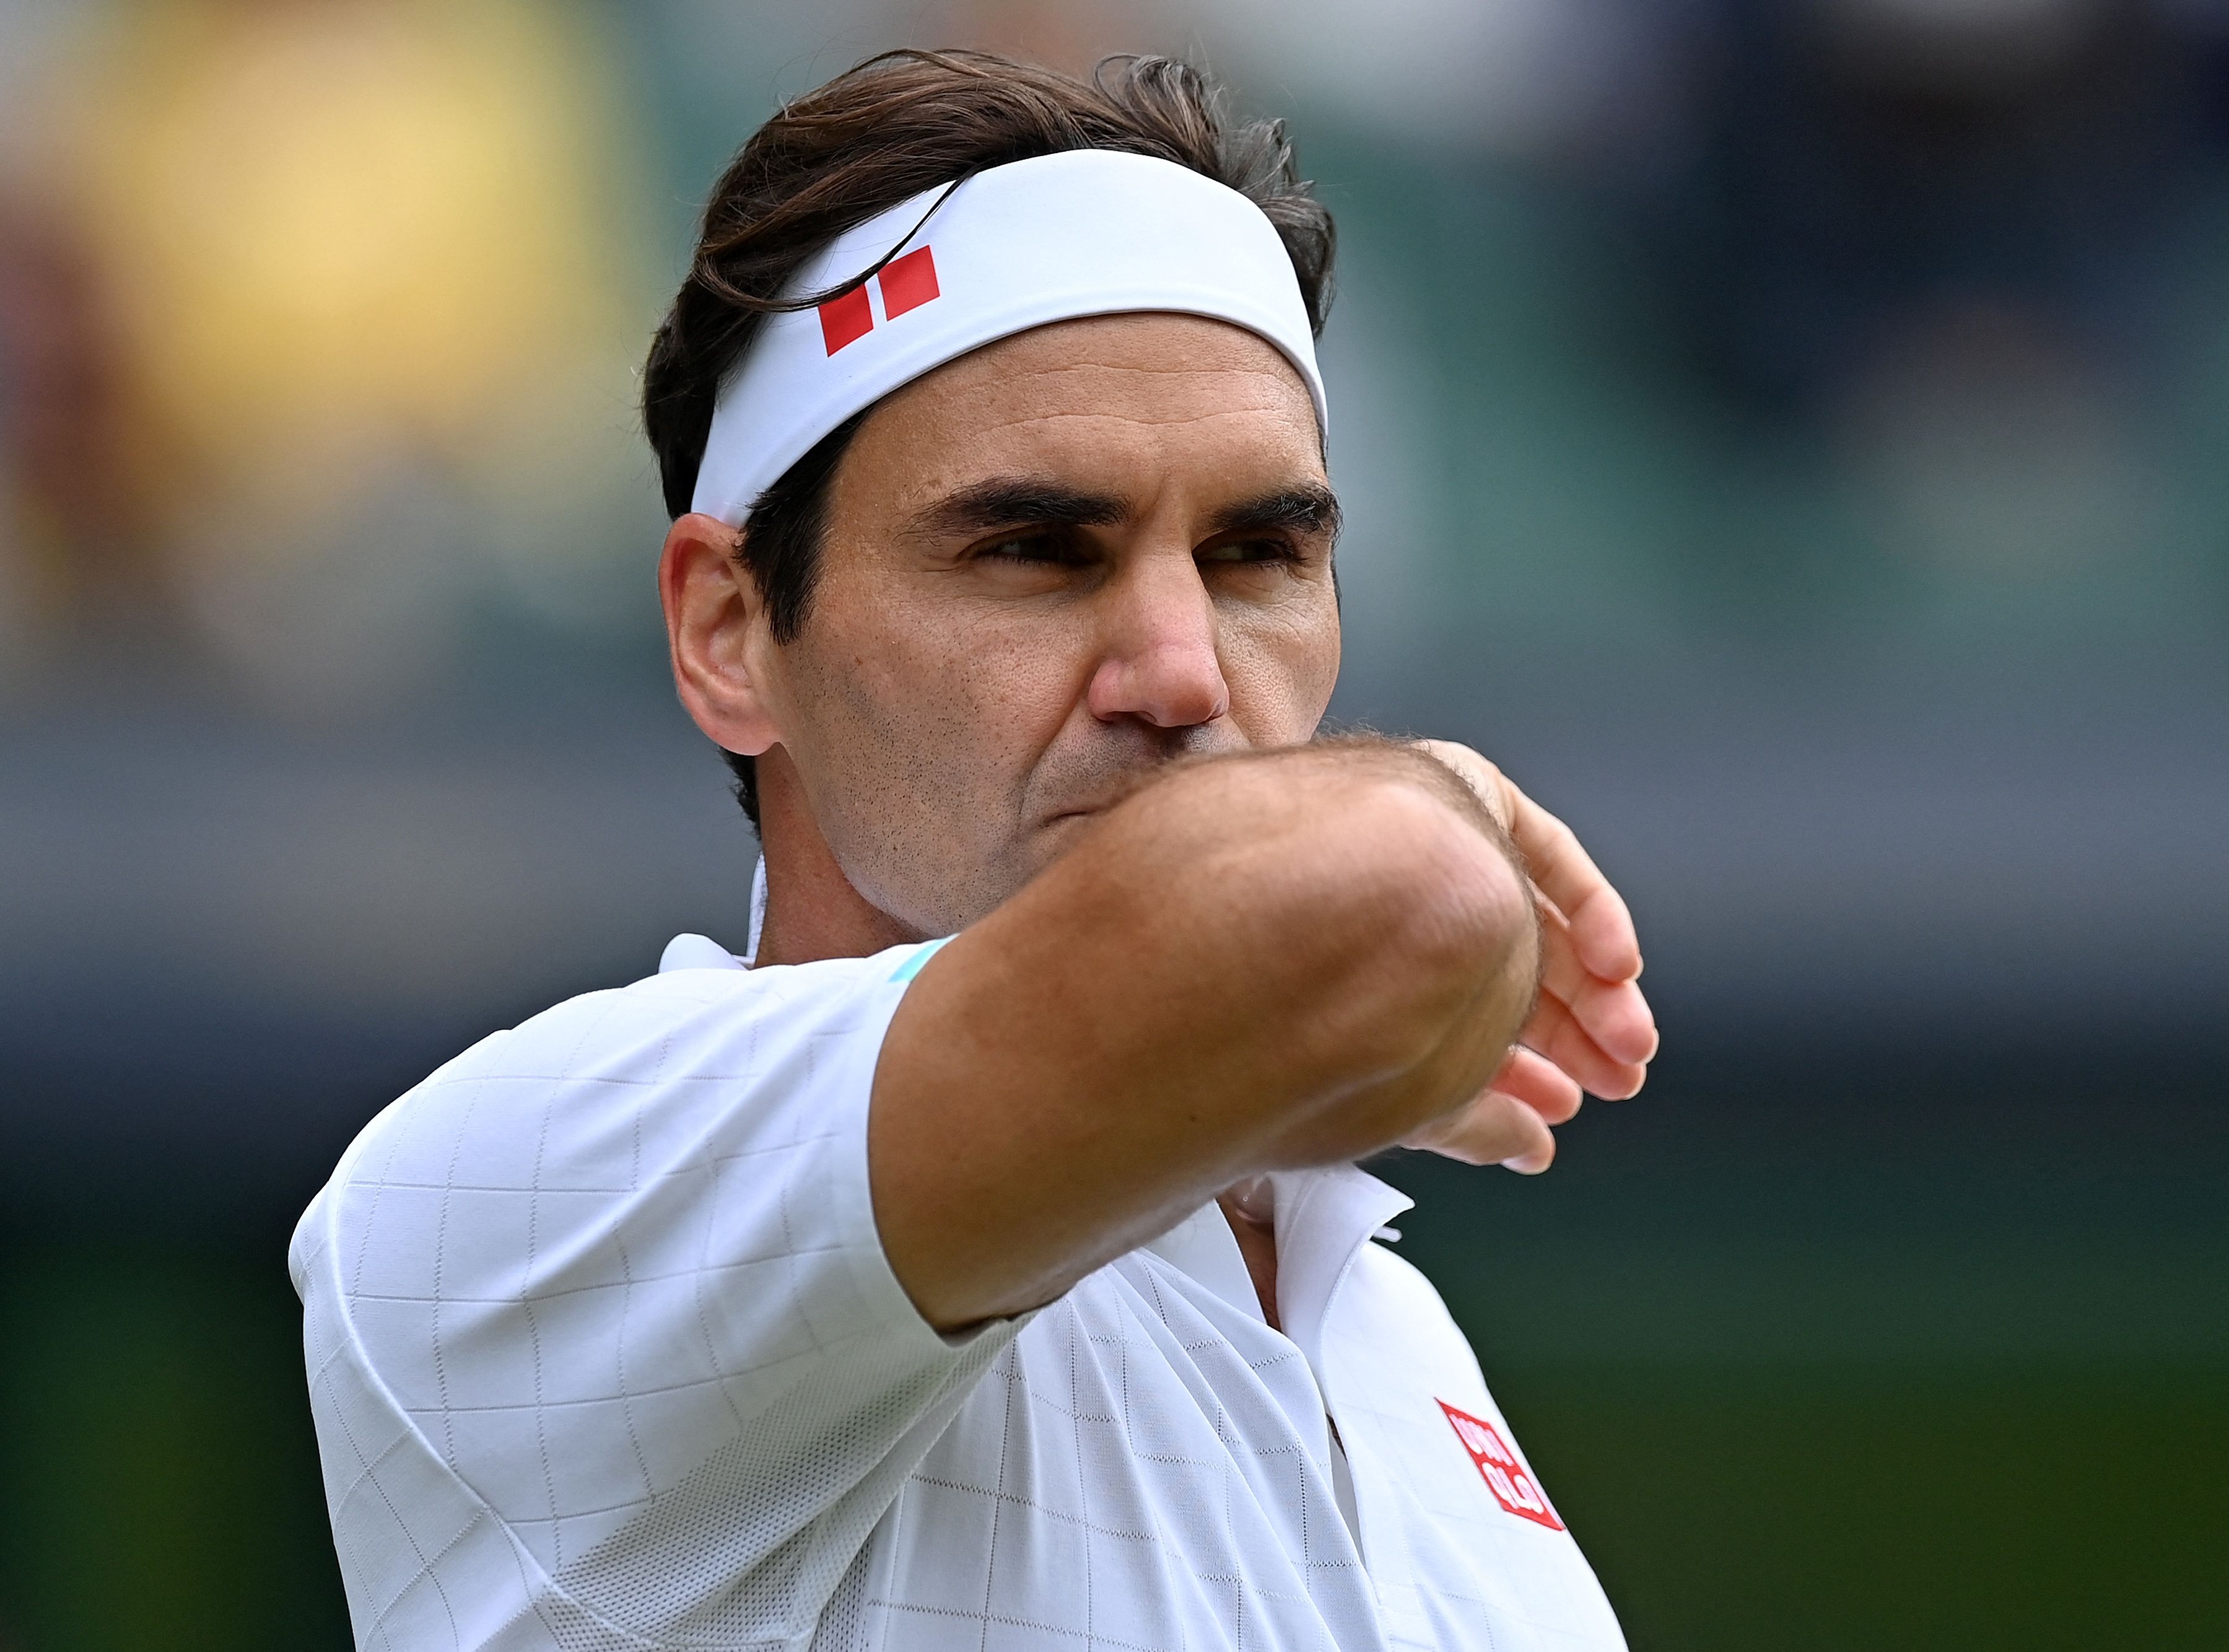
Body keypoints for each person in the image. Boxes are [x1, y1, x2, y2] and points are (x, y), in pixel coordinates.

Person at [291, 48, 1657, 1652]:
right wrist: (1433, 823)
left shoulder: (1405, 1347)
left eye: (1258, 552)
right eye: (1033, 549)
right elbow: (1394, 899)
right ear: (731, 630)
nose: (1183, 672)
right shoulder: (521, 1192)